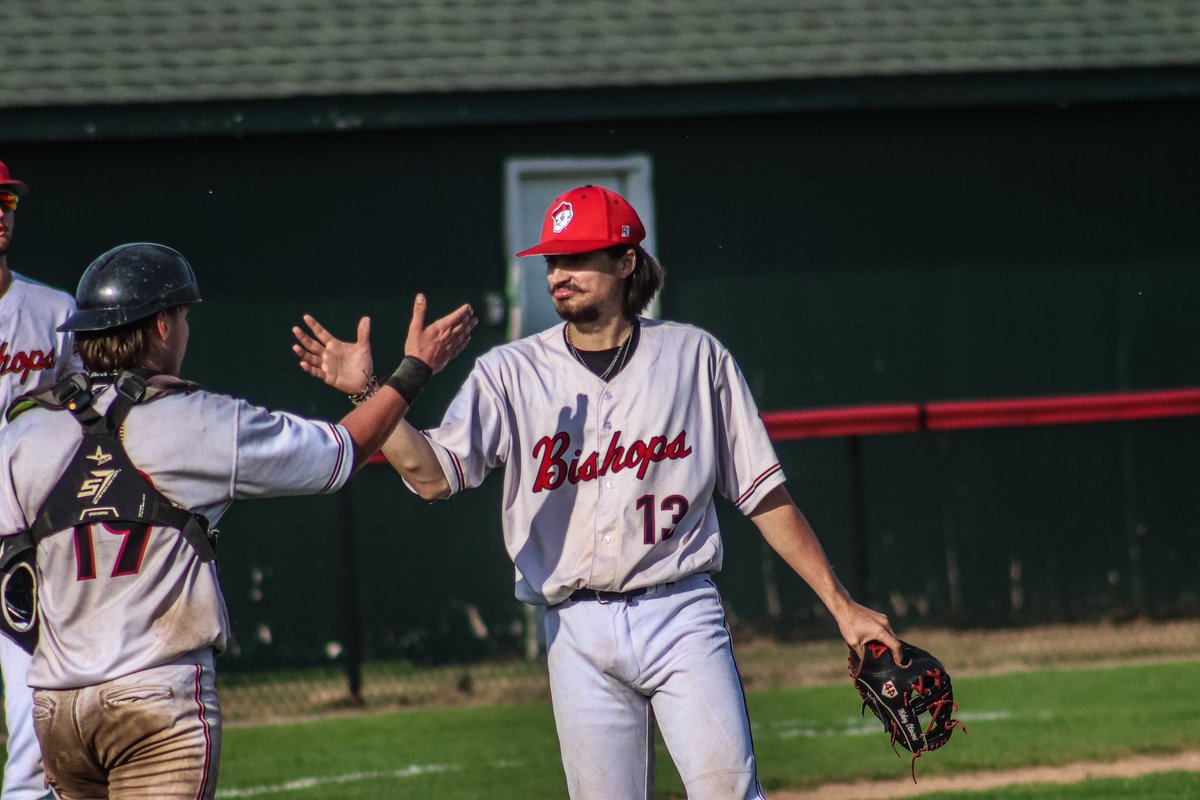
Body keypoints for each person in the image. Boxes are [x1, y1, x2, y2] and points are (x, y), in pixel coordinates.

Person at [292, 185, 901, 800]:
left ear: (627, 260)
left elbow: (764, 495)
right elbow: (431, 476)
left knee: (728, 793)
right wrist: (371, 390)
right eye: (552, 260)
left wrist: (841, 605)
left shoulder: (695, 357)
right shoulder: (509, 372)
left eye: (578, 257)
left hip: (682, 612)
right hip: (575, 629)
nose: (559, 273)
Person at [0, 242, 476, 800]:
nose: (185, 327)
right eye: (182, 313)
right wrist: (413, 371)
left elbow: (13, 586)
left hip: (57, 708)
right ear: (160, 326)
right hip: (155, 696)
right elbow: (343, 451)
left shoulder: (23, 431)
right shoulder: (198, 421)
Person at [0, 159, 81, 800]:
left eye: (8, 202)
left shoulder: (53, 311)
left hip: (24, 538)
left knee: (32, 716)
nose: (2, 212)